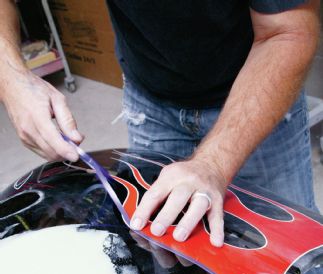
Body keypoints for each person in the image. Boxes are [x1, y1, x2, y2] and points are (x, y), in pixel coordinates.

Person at [0, 0, 320, 246]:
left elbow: (288, 32)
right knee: (162, 259)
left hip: (259, 94)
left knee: (288, 269)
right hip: (150, 95)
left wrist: (214, 162)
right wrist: (12, 80)